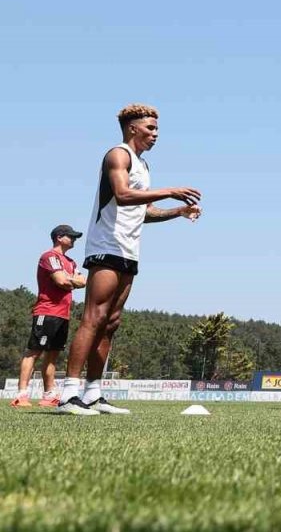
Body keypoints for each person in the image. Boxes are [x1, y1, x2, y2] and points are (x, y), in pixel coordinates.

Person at [60, 104, 202, 416]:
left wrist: (179, 211)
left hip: (128, 250)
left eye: (157, 129)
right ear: (132, 128)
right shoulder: (118, 154)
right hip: (106, 246)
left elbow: (143, 212)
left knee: (111, 322)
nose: (156, 134)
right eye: (150, 128)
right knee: (94, 317)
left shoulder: (143, 165)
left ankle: (92, 393)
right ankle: (68, 394)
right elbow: (123, 195)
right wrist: (170, 191)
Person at [12, 226, 87, 408]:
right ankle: (21, 395)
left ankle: (48, 395)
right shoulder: (50, 256)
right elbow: (61, 281)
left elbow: (83, 281)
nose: (74, 239)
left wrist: (70, 280)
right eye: (71, 236)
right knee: (34, 352)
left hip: (63, 314)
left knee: (53, 355)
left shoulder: (71, 261)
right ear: (59, 237)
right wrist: (71, 280)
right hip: (46, 311)